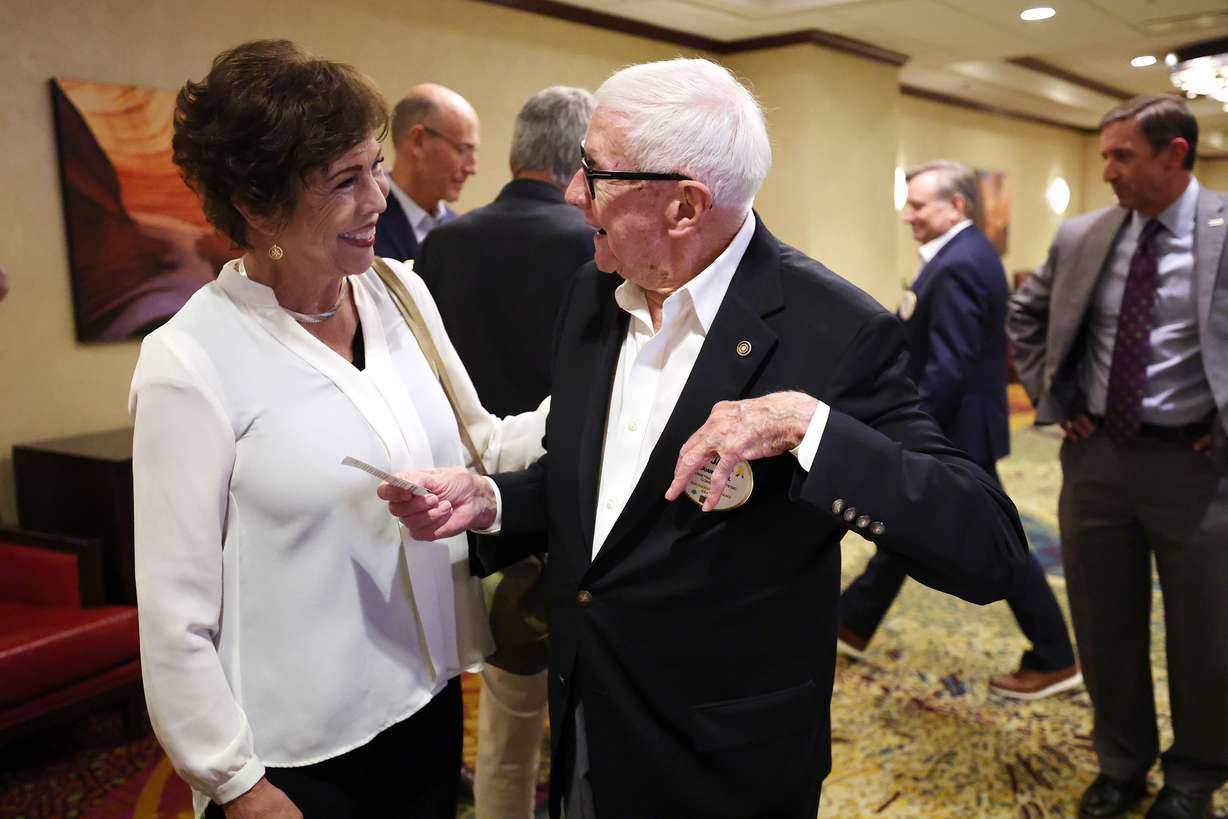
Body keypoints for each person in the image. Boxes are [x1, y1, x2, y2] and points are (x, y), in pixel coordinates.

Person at [381, 58, 1028, 819]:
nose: (573, 192)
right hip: (586, 709)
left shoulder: (833, 329)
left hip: (720, 758)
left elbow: (988, 544)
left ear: (685, 206)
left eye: (597, 173)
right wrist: (495, 499)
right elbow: (597, 486)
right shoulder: (592, 290)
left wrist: (810, 428)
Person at [130, 40, 544, 819]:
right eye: (345, 180)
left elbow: (483, 443)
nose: (380, 197)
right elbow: (174, 615)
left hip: (425, 701)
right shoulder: (190, 361)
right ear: (259, 206)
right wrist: (236, 783)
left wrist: (608, 387)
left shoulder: (399, 294)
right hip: (296, 752)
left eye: (376, 166)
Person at [1008, 95, 1228, 819]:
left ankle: (1194, 777)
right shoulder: (1084, 234)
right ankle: (1121, 763)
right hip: (1096, 459)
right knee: (1103, 624)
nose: (1106, 171)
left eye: (1121, 156)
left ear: (1175, 154)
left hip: (1197, 465)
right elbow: (1026, 314)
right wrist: (1054, 392)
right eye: (1103, 154)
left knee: (1205, 629)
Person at [415, 85, 596, 819]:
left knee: (505, 720)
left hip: (478, 501)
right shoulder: (595, 244)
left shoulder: (444, 244)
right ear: (582, 160)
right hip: (575, 497)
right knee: (589, 722)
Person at [837, 160, 1081, 700]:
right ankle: (851, 621)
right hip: (958, 424)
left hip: (955, 430)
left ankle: (1056, 656)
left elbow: (949, 365)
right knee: (907, 526)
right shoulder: (964, 254)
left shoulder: (959, 264)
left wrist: (906, 431)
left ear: (956, 206)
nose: (908, 216)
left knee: (995, 542)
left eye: (918, 205)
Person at [373, 83, 479, 262]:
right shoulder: (363, 222)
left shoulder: (461, 233)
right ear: (418, 141)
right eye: (462, 150)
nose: (472, 168)